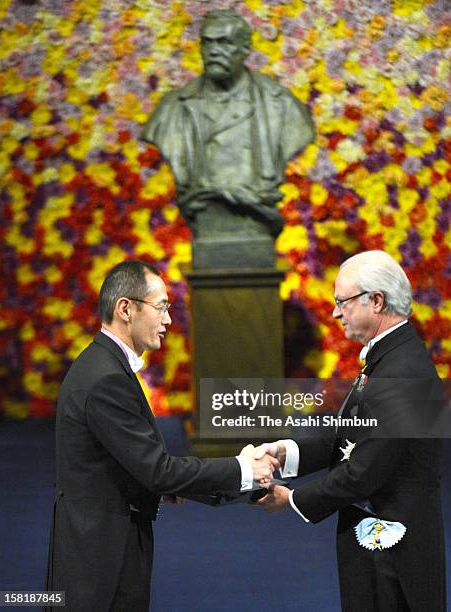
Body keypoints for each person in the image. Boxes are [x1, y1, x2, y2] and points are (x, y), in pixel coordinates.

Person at [44, 259, 278, 612]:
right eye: (162, 307)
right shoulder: (106, 377)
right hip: (99, 559)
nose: (169, 320)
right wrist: (243, 468)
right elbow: (158, 470)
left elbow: (132, 465)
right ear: (126, 309)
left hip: (103, 542)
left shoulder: (104, 366)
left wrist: (224, 484)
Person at [257, 250, 446, 611]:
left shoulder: (401, 372)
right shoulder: (388, 357)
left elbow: (365, 471)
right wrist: (287, 453)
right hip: (378, 544)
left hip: (394, 556)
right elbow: (349, 435)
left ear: (376, 301)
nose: (335, 312)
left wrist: (293, 500)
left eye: (342, 301)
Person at [141, 10, 314, 267]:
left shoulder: (280, 105)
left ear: (245, 49)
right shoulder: (173, 109)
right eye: (207, 42)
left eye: (224, 42)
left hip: (256, 230)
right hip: (206, 226)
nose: (213, 50)